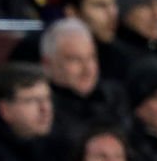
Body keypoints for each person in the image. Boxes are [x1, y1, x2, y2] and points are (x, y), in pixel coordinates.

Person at [40, 17, 129, 151]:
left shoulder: (115, 96)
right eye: (75, 60)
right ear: (47, 63)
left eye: (91, 58)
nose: (87, 69)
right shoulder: (42, 106)